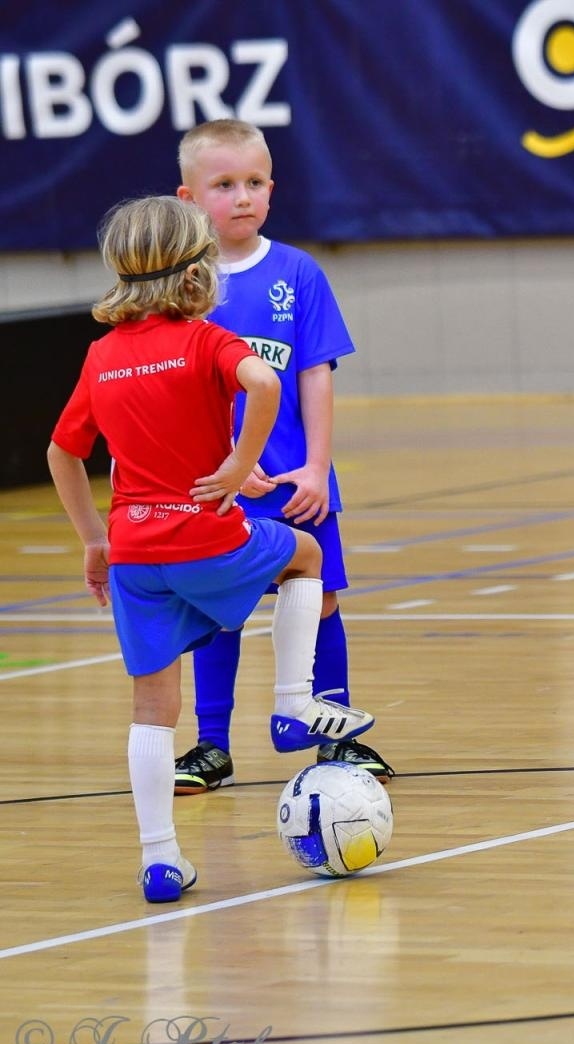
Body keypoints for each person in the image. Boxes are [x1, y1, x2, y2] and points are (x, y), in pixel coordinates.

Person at [47, 196, 377, 902]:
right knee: (306, 557)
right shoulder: (205, 337)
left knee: (150, 708)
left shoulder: (102, 355)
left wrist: (93, 541)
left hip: (134, 553)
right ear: (197, 268)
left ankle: (160, 860)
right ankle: (292, 703)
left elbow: (61, 451)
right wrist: (237, 466)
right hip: (203, 530)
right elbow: (264, 381)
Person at [173, 119, 393, 793]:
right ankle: (212, 746)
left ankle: (332, 737)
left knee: (319, 599)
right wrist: (223, 468)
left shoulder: (297, 272)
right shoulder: (180, 288)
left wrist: (319, 466)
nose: (242, 197)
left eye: (255, 182)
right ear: (187, 199)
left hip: (295, 482)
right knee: (217, 611)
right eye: (224, 184)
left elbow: (316, 373)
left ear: (273, 188)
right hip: (218, 485)